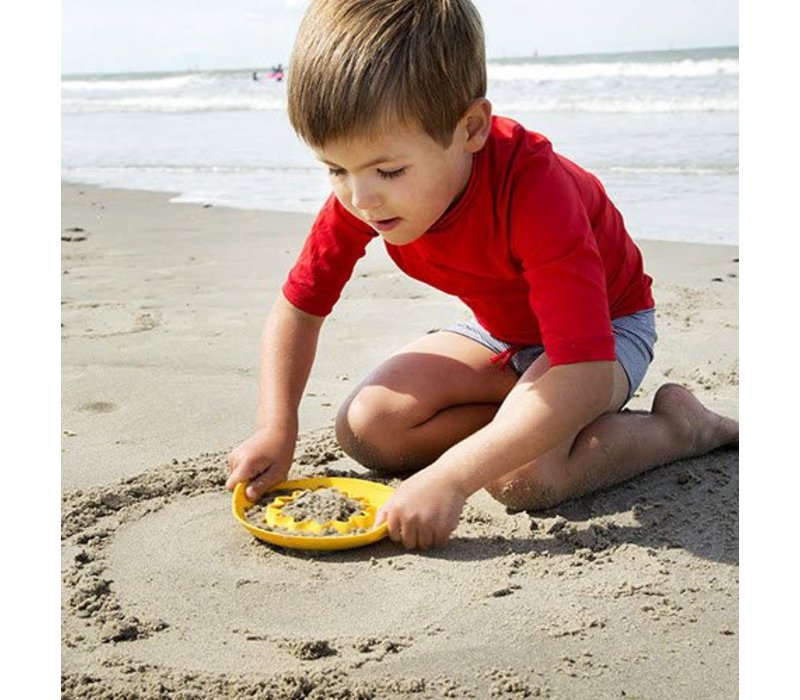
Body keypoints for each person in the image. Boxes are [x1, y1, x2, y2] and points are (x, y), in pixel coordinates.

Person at [225, 0, 738, 550]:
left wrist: (453, 476)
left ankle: (679, 429)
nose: (360, 197)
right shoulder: (362, 195)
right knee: (369, 429)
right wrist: (276, 426)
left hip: (605, 334)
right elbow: (300, 308)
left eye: (389, 170)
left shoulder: (535, 190)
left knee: (523, 478)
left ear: (469, 127)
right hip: (504, 331)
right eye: (335, 169)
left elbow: (583, 370)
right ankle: (528, 418)